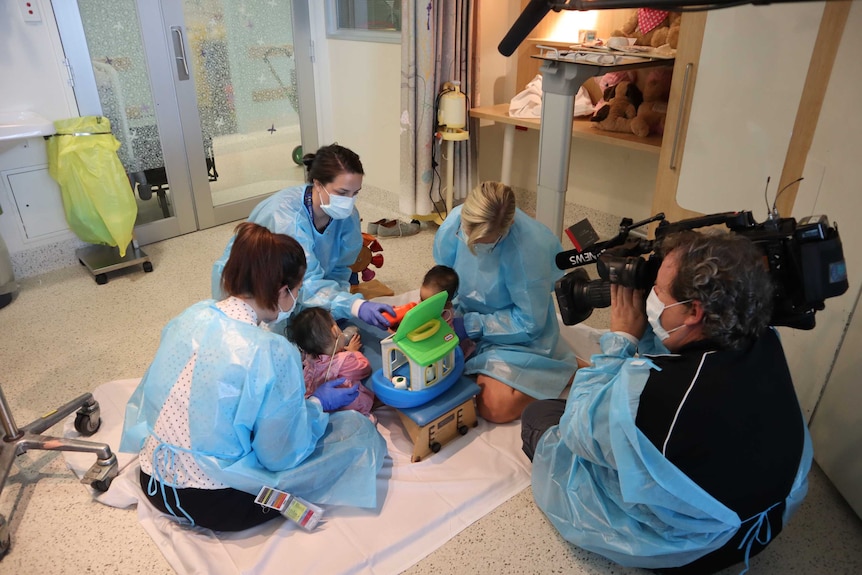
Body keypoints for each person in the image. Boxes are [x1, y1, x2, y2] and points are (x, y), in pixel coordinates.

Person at [522, 230, 812, 574]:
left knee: (543, 417)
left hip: (692, 550)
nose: (650, 299)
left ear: (693, 310)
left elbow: (578, 431)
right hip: (764, 521)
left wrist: (620, 341)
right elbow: (675, 353)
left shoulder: (661, 394)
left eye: (657, 291)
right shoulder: (763, 336)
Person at [121, 222, 386, 532]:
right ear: (281, 290)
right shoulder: (270, 351)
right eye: (298, 290)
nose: (296, 300)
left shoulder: (193, 315)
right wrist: (316, 405)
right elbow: (280, 454)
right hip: (217, 503)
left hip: (152, 475)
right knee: (355, 431)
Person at [433, 181, 578, 423]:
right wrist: (442, 307)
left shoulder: (528, 250)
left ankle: (563, 370)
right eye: (467, 234)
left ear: (507, 227)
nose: (472, 245)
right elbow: (444, 270)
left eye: (484, 243)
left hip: (514, 331)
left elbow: (529, 322)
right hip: (465, 313)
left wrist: (469, 326)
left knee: (494, 408)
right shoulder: (458, 219)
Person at [211, 143, 394, 331]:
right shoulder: (286, 218)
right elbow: (304, 281)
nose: (348, 201)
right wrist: (353, 305)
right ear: (317, 184)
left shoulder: (347, 216)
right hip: (252, 287)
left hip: (295, 288)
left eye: (355, 193)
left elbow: (341, 268)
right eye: (342, 193)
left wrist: (335, 307)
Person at [288, 306, 375, 420]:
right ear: (335, 331)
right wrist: (353, 352)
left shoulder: (309, 359)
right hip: (346, 409)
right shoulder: (344, 361)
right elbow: (364, 368)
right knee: (365, 398)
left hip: (319, 407)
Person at [419, 264, 476, 359]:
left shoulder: (446, 315)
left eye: (430, 304)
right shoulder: (424, 302)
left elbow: (446, 337)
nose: (423, 305)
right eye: (422, 299)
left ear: (446, 305)